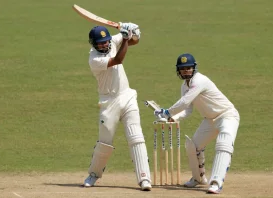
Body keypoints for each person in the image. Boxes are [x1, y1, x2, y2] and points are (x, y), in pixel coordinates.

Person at [154, 53, 240, 194]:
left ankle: (216, 182)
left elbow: (185, 102)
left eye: (188, 68)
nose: (186, 70)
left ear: (194, 68)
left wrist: (167, 112)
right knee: (193, 146)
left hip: (227, 115)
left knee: (223, 143)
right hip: (210, 120)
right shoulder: (184, 86)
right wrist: (173, 118)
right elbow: (187, 110)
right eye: (183, 68)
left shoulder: (200, 80)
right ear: (178, 70)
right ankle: (198, 178)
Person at [83, 23, 152, 191]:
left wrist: (133, 32)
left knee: (136, 137)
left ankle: (144, 178)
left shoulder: (112, 41)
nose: (104, 45)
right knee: (105, 142)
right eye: (100, 43)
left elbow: (134, 41)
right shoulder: (94, 59)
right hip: (108, 102)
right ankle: (94, 174)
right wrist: (126, 38)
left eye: (106, 42)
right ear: (94, 44)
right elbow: (118, 59)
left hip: (127, 96)